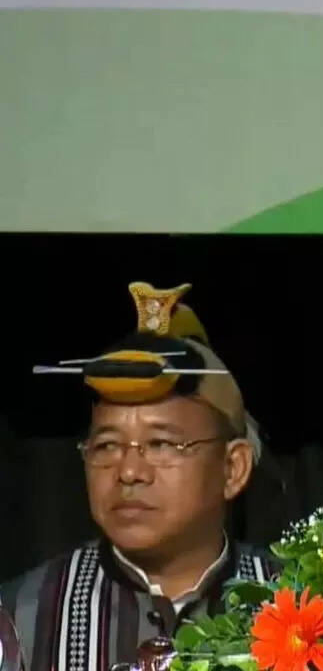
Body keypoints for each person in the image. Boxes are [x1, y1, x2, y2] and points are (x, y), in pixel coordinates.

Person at [0, 282, 274, 671]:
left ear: (233, 468)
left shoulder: (304, 608)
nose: (129, 472)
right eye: (108, 445)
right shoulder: (21, 618)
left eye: (161, 444)